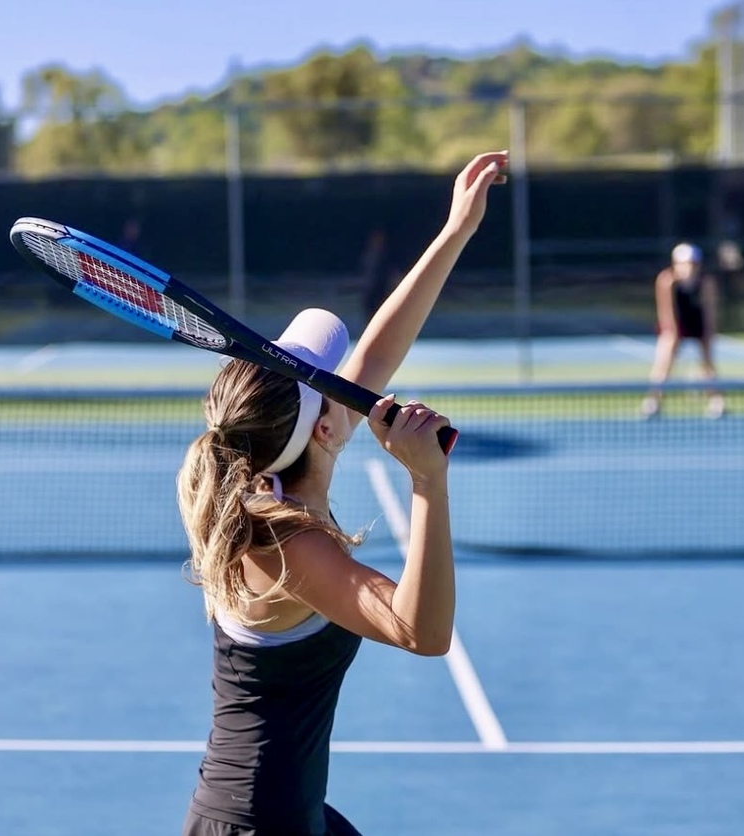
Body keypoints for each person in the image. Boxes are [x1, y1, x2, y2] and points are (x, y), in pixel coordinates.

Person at [177, 150, 508, 836]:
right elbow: (424, 632)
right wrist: (426, 481)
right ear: (327, 427)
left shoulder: (268, 473)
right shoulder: (285, 545)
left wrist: (456, 232)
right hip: (258, 826)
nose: (349, 380)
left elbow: (376, 358)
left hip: (282, 811)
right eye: (328, 383)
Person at [640, 242, 725, 419]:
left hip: (697, 320)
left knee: (708, 362)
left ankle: (716, 402)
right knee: (664, 360)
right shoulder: (666, 280)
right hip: (675, 321)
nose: (689, 267)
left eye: (693, 263)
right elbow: (666, 312)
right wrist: (672, 334)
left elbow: (709, 311)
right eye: (685, 263)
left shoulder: (706, 282)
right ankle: (653, 401)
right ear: (675, 264)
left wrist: (708, 333)